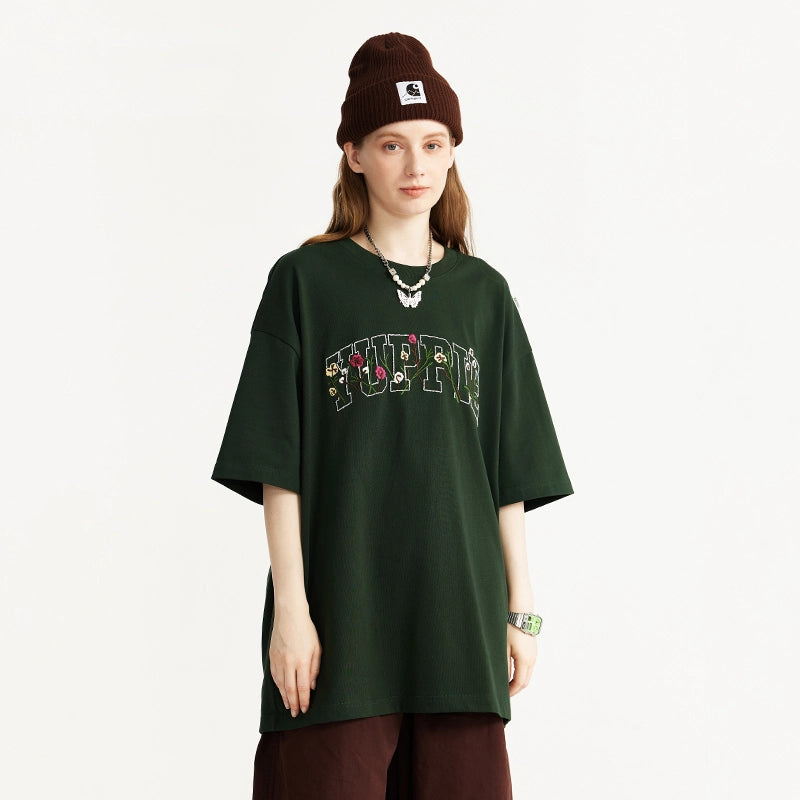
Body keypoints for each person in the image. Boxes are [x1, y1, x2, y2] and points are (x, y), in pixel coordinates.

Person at [211, 32, 574, 799]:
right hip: (341, 626)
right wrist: (291, 612)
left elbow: (507, 471)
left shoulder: (484, 296)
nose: (417, 166)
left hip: (459, 624)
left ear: (453, 152)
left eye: (433, 143)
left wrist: (523, 611)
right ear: (353, 154)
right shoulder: (305, 282)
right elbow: (278, 467)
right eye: (392, 144)